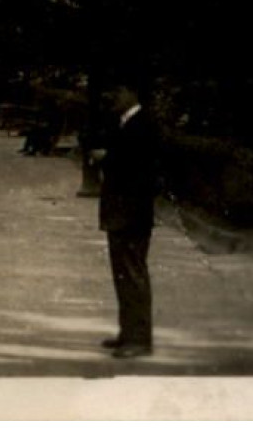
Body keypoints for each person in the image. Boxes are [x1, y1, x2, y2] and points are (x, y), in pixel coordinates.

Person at [91, 84, 159, 359]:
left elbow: (138, 169)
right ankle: (128, 333)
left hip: (132, 213)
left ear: (133, 92)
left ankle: (139, 339)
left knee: (133, 275)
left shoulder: (143, 125)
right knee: (123, 275)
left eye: (117, 91)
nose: (112, 96)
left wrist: (106, 159)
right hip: (121, 213)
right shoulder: (125, 123)